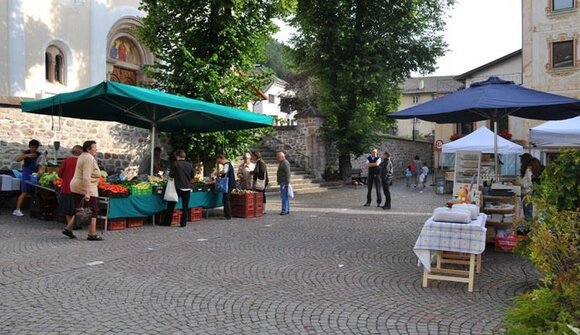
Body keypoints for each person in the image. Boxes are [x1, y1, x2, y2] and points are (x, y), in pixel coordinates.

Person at [64, 140, 103, 241]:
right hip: (85, 186)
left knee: (81, 209)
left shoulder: (83, 156)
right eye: (94, 147)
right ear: (88, 149)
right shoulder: (88, 158)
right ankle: (92, 233)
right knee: (93, 210)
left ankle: (68, 228)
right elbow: (86, 176)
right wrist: (87, 192)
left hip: (77, 185)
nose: (96, 149)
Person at [162, 149, 195, 227]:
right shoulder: (189, 164)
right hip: (187, 187)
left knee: (171, 205)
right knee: (185, 206)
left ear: (177, 156)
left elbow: (171, 175)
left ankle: (167, 222)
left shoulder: (175, 164)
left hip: (177, 187)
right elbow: (192, 176)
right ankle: (183, 223)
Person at [13, 139, 41, 217]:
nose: (34, 149)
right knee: (24, 191)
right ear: (30, 147)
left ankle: (35, 209)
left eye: (35, 147)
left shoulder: (39, 154)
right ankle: (17, 209)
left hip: (35, 173)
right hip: (26, 172)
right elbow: (17, 159)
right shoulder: (26, 153)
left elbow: (41, 163)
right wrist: (27, 155)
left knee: (35, 191)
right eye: (32, 147)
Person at [57, 145, 82, 230]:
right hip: (78, 189)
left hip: (66, 187)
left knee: (67, 209)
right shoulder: (81, 162)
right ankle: (72, 225)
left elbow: (59, 174)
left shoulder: (66, 161)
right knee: (76, 208)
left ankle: (70, 224)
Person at [518, 153, 542, 221]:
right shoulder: (528, 169)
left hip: (527, 193)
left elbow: (530, 183)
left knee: (528, 212)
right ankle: (529, 227)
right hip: (527, 192)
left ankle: (529, 228)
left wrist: (521, 185)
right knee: (528, 211)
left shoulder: (528, 170)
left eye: (521, 159)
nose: (520, 161)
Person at [216, 153, 236, 220]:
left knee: (226, 199)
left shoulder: (227, 164)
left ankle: (228, 215)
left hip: (229, 184)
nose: (220, 163)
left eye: (219, 161)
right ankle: (227, 214)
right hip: (229, 184)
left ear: (222, 158)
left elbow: (224, 171)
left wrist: (218, 173)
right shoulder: (227, 164)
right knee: (225, 199)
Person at [276, 151, 291, 215]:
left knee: (284, 197)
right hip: (282, 181)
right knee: (285, 196)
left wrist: (287, 182)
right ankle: (286, 209)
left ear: (282, 157)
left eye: (278, 157)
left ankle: (284, 210)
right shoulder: (282, 162)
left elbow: (288, 173)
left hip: (284, 182)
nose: (277, 159)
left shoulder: (285, 163)